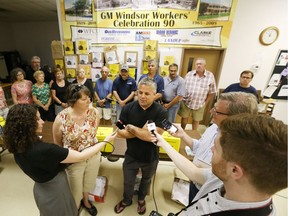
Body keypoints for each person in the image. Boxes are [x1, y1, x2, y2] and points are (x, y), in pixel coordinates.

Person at [150, 113, 287, 215]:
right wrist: (162, 142)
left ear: (235, 170)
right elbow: (194, 172)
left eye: (216, 148)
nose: (211, 149)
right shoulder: (228, 179)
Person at [3, 104, 116, 216]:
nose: (42, 122)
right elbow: (80, 156)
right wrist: (105, 141)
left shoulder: (16, 146)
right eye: (37, 119)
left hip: (40, 190)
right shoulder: (46, 150)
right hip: (56, 191)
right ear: (26, 124)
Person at [175, 92, 258, 202]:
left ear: (235, 117)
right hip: (195, 184)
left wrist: (162, 142)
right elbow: (199, 147)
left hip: (210, 193)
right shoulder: (213, 127)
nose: (210, 112)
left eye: (216, 111)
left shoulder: (238, 147)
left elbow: (198, 173)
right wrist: (183, 135)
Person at [114, 78, 167, 215]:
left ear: (155, 95)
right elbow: (119, 132)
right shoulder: (127, 108)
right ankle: (126, 200)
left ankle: (141, 199)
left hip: (151, 156)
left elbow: (155, 137)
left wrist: (131, 128)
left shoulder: (161, 112)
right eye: (140, 92)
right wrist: (142, 132)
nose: (142, 96)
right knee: (128, 181)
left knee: (146, 180)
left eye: (147, 94)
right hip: (131, 154)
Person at [53, 84, 102, 216]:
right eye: (84, 99)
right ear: (73, 100)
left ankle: (86, 201)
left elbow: (93, 135)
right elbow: (57, 143)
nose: (89, 101)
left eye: (89, 98)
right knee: (75, 189)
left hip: (93, 156)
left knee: (89, 182)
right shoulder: (61, 118)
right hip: (74, 160)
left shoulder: (94, 112)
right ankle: (75, 207)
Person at [178, 58, 216, 130]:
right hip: (186, 101)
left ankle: (194, 134)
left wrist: (205, 103)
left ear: (205, 66)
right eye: (197, 64)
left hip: (200, 103)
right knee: (184, 118)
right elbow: (183, 87)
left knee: (196, 120)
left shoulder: (210, 76)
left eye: (200, 64)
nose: (198, 65)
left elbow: (212, 92)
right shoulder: (189, 74)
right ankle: (182, 131)